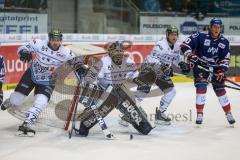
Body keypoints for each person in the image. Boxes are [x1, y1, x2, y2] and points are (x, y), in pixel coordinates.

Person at [1, 29, 77, 136]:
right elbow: (22, 48)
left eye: (58, 40)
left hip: (48, 81)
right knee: (16, 100)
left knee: (41, 102)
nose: (55, 42)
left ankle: (27, 124)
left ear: (61, 40)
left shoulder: (66, 52)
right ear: (49, 39)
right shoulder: (38, 43)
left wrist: (81, 68)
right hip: (31, 75)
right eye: (53, 39)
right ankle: (11, 101)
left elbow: (76, 62)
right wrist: (24, 52)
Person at [75, 41, 153, 137]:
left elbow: (135, 77)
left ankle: (136, 110)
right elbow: (92, 79)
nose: (119, 53)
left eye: (120, 51)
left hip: (119, 90)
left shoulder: (128, 62)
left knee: (145, 128)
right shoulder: (103, 62)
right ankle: (84, 120)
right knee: (83, 129)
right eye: (116, 51)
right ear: (110, 52)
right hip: (102, 92)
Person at [180, 18, 235, 125]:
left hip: (216, 68)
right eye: (214, 27)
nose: (216, 29)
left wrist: (222, 71)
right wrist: (190, 54)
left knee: (220, 90)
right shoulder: (200, 36)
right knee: (201, 86)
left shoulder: (224, 42)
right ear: (210, 27)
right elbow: (184, 45)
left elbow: (225, 59)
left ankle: (228, 113)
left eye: (218, 27)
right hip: (201, 66)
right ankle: (200, 114)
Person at [133, 25, 188, 125]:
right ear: (167, 35)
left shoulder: (177, 46)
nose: (174, 37)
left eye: (175, 35)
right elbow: (152, 60)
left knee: (171, 91)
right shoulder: (161, 44)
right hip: (148, 69)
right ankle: (129, 113)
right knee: (142, 92)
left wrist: (181, 63)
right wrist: (165, 68)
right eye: (172, 34)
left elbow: (175, 59)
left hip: (161, 72)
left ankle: (160, 114)